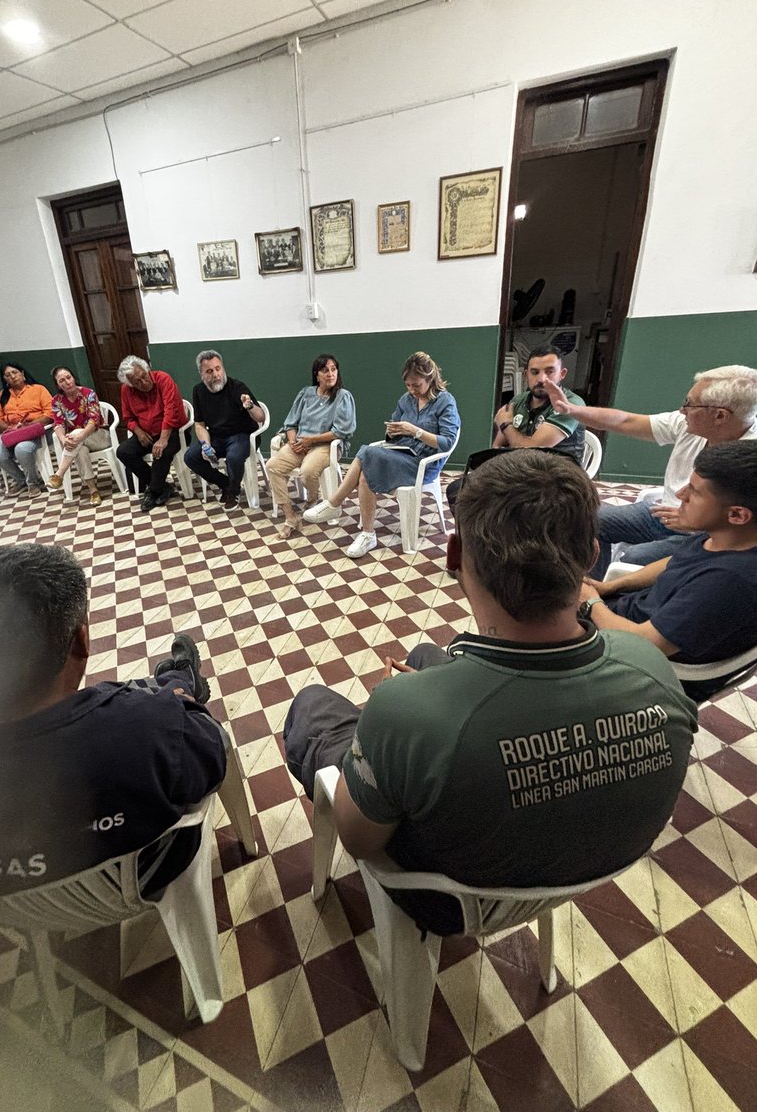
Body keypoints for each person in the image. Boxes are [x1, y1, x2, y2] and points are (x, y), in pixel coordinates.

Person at [284, 450, 697, 936]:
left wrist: (398, 724)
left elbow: (360, 840)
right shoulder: (651, 667)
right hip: (591, 868)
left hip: (451, 901)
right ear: (591, 555)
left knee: (312, 705)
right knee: (423, 654)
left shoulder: (402, 712)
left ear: (455, 557)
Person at [0, 544, 226, 927]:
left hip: (10, 913)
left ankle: (175, 680)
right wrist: (173, 706)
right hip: (144, 880)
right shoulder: (151, 728)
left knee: (145, 696)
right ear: (81, 640)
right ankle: (180, 681)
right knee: (164, 695)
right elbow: (213, 755)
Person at [542, 364, 757, 579]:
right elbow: (627, 421)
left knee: (634, 558)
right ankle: (594, 590)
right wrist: (571, 410)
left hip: (704, 534)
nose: (682, 410)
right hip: (662, 514)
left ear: (720, 416)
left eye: (689, 404)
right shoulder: (687, 424)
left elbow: (744, 530)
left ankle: (620, 603)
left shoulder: (749, 459)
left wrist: (696, 522)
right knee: (586, 520)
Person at [580, 440, 757, 701]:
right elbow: (674, 561)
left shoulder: (729, 582)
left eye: (694, 493)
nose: (681, 494)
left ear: (737, 515)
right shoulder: (722, 537)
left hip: (642, 669)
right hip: (623, 619)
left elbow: (644, 645)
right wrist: (610, 587)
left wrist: (591, 603)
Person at [304, 351, 459, 559]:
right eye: (408, 385)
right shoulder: (406, 400)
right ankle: (367, 534)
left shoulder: (445, 402)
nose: (412, 390)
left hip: (423, 464)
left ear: (430, 379)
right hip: (400, 454)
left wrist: (415, 431)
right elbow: (392, 431)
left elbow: (447, 442)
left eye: (417, 385)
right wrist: (393, 431)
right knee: (366, 472)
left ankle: (335, 504)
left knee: (367, 453)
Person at [445, 346, 584, 518]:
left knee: (510, 505)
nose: (542, 379)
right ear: (526, 374)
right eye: (535, 372)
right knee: (458, 491)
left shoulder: (571, 404)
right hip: (520, 473)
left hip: (556, 481)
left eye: (549, 372)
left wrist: (506, 424)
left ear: (562, 374)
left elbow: (532, 449)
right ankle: (476, 542)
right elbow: (497, 445)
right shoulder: (518, 400)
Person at [266, 354, 357, 539]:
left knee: (307, 471)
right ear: (317, 375)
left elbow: (342, 431)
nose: (330, 374)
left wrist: (311, 440)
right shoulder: (306, 393)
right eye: (325, 371)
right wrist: (293, 442)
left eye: (333, 369)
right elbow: (291, 423)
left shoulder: (343, 397)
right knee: (272, 467)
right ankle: (291, 517)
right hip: (300, 443)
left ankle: (311, 500)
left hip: (327, 445)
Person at [183, 350, 265, 511]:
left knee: (233, 457)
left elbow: (260, 417)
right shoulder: (198, 391)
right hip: (216, 437)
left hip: (243, 435)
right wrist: (206, 445)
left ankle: (233, 492)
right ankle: (226, 484)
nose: (216, 374)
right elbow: (199, 424)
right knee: (190, 457)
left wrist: (249, 406)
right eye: (209, 371)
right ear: (201, 374)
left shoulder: (237, 387)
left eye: (218, 368)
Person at [115, 355, 187, 513]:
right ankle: (163, 486)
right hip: (146, 433)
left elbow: (171, 412)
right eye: (137, 382)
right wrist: (138, 431)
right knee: (123, 452)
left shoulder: (163, 379)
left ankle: (153, 491)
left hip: (171, 430)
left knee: (161, 452)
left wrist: (163, 438)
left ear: (147, 370)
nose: (143, 383)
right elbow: (128, 417)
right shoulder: (126, 390)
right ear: (130, 384)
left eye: (143, 376)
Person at [46, 365, 111, 506]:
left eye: (68, 377)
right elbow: (57, 424)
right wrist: (63, 439)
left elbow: (94, 421)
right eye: (61, 380)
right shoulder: (57, 401)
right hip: (78, 442)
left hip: (99, 436)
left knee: (75, 435)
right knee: (79, 450)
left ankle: (59, 474)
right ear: (58, 385)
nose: (67, 382)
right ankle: (93, 491)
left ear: (73, 377)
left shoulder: (88, 393)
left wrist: (79, 435)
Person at [0, 361, 54, 495]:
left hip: (35, 431)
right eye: (7, 375)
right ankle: (22, 480)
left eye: (15, 372)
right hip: (12, 432)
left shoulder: (38, 389)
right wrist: (10, 428)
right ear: (4, 379)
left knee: (22, 449)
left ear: (22, 374)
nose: (12, 377)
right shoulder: (2, 395)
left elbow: (50, 413)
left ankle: (32, 483)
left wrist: (28, 426)